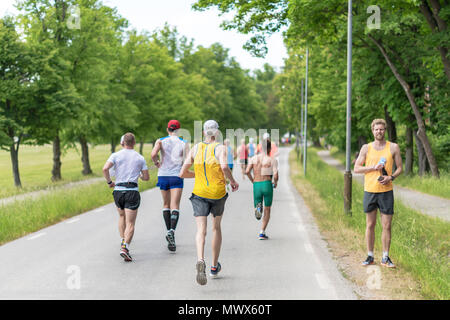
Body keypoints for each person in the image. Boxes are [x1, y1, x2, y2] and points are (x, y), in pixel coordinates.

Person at [179, 120, 239, 286]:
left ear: (204, 132)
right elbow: (225, 167)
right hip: (217, 193)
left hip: (199, 193)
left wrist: (197, 176)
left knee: (201, 230)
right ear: (217, 132)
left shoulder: (195, 148)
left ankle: (200, 259)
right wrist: (233, 181)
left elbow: (182, 173)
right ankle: (214, 267)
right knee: (216, 227)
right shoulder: (220, 148)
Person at [354, 119, 402, 268]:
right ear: (372, 131)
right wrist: (373, 168)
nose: (379, 132)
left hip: (386, 192)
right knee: (370, 224)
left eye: (381, 129)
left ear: (385, 130)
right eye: (376, 129)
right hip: (370, 190)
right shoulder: (366, 148)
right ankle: (370, 256)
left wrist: (391, 177)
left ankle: (385, 257)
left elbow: (400, 168)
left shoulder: (393, 147)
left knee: (387, 225)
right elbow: (356, 168)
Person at [102, 133, 150, 262]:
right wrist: (139, 175)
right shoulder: (139, 158)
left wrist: (109, 182)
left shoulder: (115, 155)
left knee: (122, 217)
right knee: (130, 223)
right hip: (131, 191)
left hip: (118, 190)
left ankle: (123, 241)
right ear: (134, 143)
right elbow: (146, 178)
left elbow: (105, 168)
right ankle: (125, 247)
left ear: (123, 142)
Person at [151, 120, 189, 252]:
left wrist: (157, 163)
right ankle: (172, 231)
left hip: (163, 175)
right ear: (178, 130)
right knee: (175, 205)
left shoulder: (160, 141)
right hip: (176, 175)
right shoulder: (183, 143)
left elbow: (153, 154)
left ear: (168, 129)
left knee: (166, 204)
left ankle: (169, 231)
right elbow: (188, 160)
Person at [246, 138, 279, 240]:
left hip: (257, 184)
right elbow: (276, 175)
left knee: (258, 207)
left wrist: (253, 181)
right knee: (267, 209)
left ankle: (258, 211)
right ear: (269, 148)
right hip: (267, 184)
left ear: (260, 148)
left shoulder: (253, 159)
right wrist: (275, 182)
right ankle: (262, 232)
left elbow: (247, 171)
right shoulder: (272, 159)